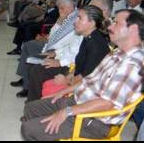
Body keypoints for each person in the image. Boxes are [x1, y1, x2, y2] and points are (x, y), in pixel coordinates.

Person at [21, 9, 144, 141]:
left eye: (116, 23)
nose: (110, 26)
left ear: (132, 30)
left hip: (94, 120)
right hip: (79, 102)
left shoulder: (132, 64)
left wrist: (66, 111)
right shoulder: (117, 52)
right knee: (31, 108)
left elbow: (107, 103)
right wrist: (62, 92)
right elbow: (89, 79)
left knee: (29, 129)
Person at [30, 5, 110, 101]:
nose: (75, 22)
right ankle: (35, 104)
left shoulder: (96, 45)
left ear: (91, 23)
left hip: (87, 86)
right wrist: (69, 75)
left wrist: (66, 80)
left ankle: (35, 105)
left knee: (41, 73)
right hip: (75, 75)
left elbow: (87, 76)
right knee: (39, 70)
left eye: (80, 18)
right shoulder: (88, 37)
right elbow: (80, 66)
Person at [10, 0, 80, 98]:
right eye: (59, 8)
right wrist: (58, 22)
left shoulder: (75, 20)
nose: (59, 10)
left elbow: (67, 44)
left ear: (70, 7)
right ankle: (25, 78)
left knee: (30, 47)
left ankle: (27, 86)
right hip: (51, 44)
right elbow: (53, 34)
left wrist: (52, 49)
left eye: (61, 8)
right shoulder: (66, 16)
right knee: (28, 45)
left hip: (56, 49)